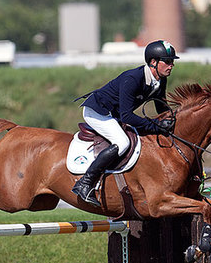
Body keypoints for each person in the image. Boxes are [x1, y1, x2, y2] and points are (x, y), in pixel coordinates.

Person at [72, 40, 179, 206]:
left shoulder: (160, 80)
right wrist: (156, 126)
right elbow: (127, 116)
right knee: (122, 142)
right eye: (168, 61)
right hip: (98, 112)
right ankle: (85, 183)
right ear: (153, 62)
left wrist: (174, 121)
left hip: (114, 114)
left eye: (172, 62)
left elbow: (161, 107)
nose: (171, 65)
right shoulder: (133, 79)